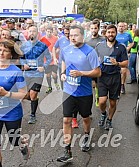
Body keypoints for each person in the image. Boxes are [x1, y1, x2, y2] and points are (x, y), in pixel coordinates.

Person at [57, 25, 101, 162]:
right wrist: (63, 74)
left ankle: (87, 136)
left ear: (83, 35)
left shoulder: (90, 52)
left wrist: (82, 73)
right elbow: (64, 61)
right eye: (71, 35)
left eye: (76, 35)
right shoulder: (66, 50)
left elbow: (98, 72)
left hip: (84, 92)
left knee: (86, 118)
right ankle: (67, 150)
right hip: (69, 91)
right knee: (66, 120)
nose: (73, 37)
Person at [95, 24, 128, 130]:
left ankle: (109, 119)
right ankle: (103, 113)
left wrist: (117, 63)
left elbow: (125, 63)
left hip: (115, 78)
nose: (111, 34)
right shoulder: (99, 45)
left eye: (113, 32)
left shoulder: (121, 47)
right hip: (103, 77)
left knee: (113, 102)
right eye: (109, 32)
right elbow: (94, 60)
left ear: (116, 33)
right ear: (105, 33)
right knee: (102, 101)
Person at [20, 24, 52, 124]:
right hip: (27, 73)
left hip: (38, 74)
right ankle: (32, 100)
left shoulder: (43, 45)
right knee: (24, 95)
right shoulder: (24, 46)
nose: (32, 33)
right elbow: (21, 58)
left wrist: (44, 67)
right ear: (27, 33)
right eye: (30, 31)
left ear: (37, 33)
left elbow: (49, 58)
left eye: (34, 31)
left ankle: (32, 115)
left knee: (33, 94)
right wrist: (23, 65)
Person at [85, 20, 105, 107]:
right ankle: (89, 99)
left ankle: (97, 96)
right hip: (89, 65)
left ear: (98, 28)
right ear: (89, 29)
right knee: (89, 83)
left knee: (97, 83)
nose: (93, 30)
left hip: (99, 65)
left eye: (95, 28)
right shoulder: (86, 40)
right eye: (92, 28)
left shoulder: (103, 39)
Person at [40, 25, 60, 93]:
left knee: (54, 74)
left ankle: (56, 82)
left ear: (52, 32)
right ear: (45, 31)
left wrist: (54, 53)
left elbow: (59, 48)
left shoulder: (56, 38)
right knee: (48, 75)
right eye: (48, 31)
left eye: (50, 32)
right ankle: (49, 87)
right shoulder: (42, 39)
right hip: (47, 60)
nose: (49, 33)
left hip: (54, 59)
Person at [116, 22, 133, 94]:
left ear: (125, 27)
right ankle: (117, 85)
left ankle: (122, 85)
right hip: (115, 54)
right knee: (115, 70)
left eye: (122, 26)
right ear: (117, 27)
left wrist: (128, 47)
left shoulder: (128, 34)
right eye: (119, 26)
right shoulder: (115, 34)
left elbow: (132, 42)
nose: (121, 28)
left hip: (123, 54)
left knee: (124, 71)